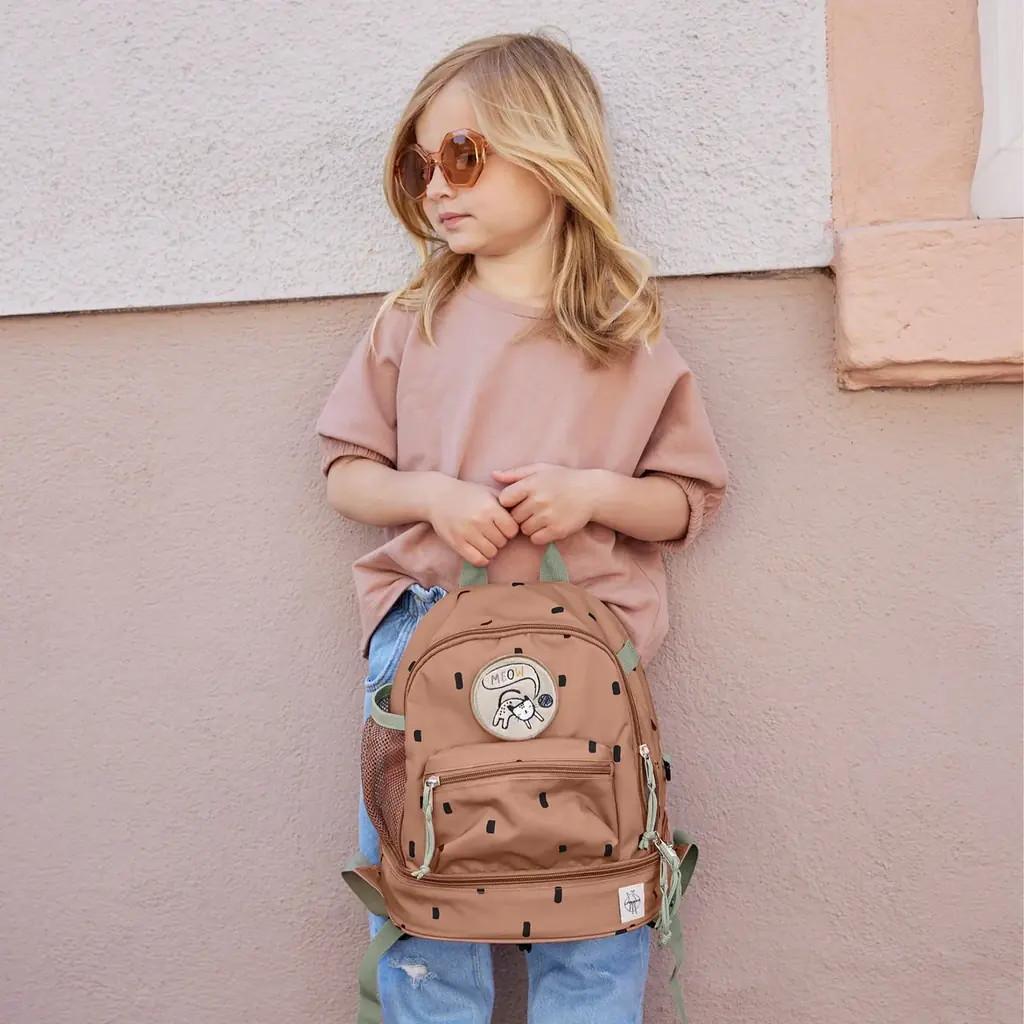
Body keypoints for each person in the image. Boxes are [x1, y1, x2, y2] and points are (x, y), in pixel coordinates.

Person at [317, 30, 728, 1024]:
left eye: (463, 156)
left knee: (593, 905)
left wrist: (593, 494)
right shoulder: (411, 322)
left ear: (550, 154)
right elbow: (345, 475)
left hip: (585, 658)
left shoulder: (623, 333)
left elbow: (687, 499)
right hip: (428, 634)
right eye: (419, 165)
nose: (435, 187)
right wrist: (431, 496)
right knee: (428, 900)